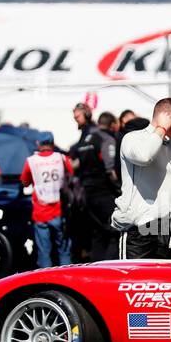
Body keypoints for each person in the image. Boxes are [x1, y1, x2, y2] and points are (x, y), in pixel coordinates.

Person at [111, 98, 171, 259]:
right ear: (164, 116)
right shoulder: (132, 138)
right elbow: (144, 156)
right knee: (135, 283)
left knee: (168, 284)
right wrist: (161, 127)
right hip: (138, 233)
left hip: (168, 231)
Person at [68, 103, 120, 261]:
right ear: (112, 125)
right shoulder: (104, 138)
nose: (76, 120)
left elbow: (75, 165)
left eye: (77, 116)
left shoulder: (85, 140)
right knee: (114, 232)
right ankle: (110, 269)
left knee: (98, 234)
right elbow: (110, 168)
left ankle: (96, 267)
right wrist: (119, 188)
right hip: (103, 193)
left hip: (87, 194)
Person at [21, 133, 73, 268]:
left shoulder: (31, 161)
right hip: (59, 211)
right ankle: (66, 278)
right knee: (64, 250)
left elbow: (24, 182)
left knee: (44, 252)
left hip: (40, 213)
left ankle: (46, 284)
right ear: (53, 143)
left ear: (39, 144)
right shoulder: (62, 158)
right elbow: (72, 175)